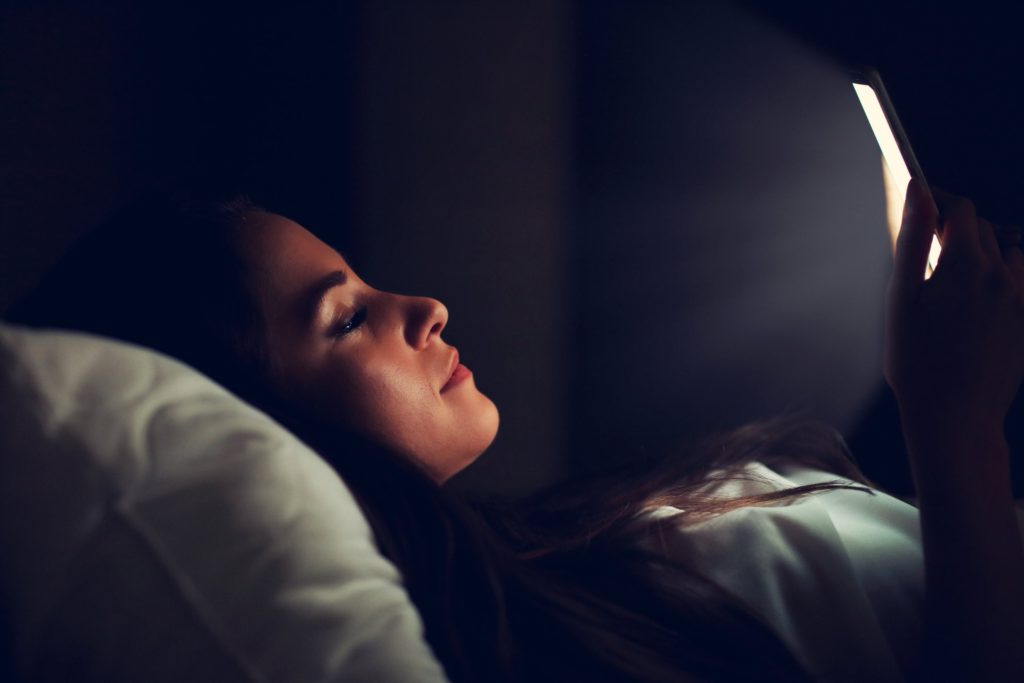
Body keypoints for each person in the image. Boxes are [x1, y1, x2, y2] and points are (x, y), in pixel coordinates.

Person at [7, 179, 1023, 682]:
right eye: (347, 317)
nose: (426, 305)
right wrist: (955, 419)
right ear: (264, 436)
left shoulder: (547, 551)